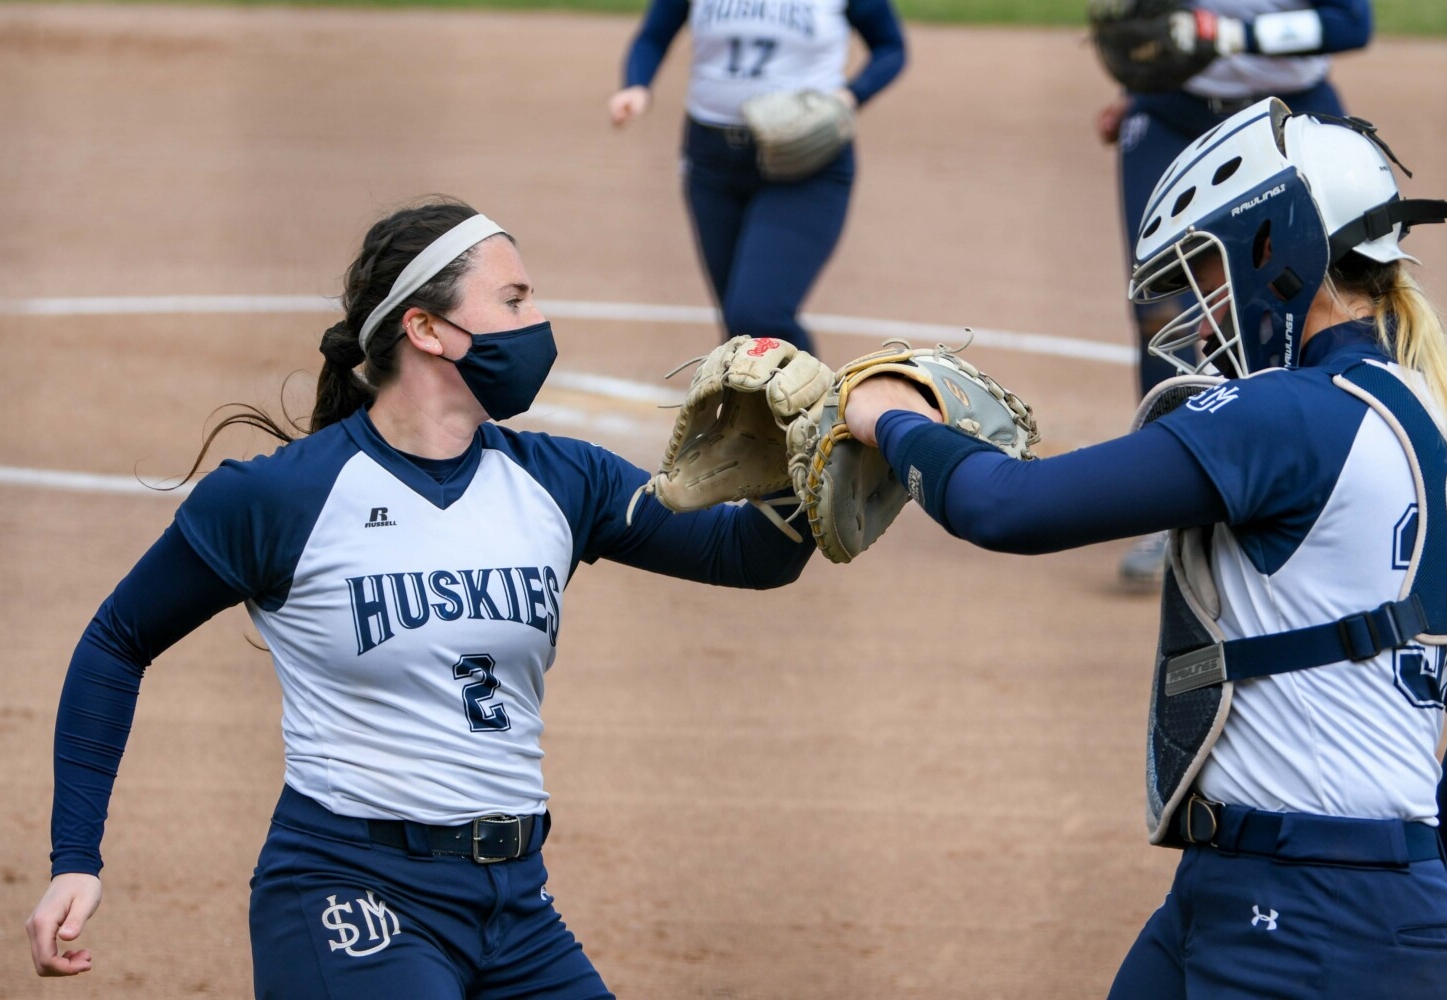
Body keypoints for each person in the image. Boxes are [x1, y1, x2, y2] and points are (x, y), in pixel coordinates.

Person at [24, 197, 817, 997]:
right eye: (513, 300)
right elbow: (118, 640)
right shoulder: (280, 498)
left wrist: (807, 466)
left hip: (516, 905)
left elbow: (748, 555)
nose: (537, 319)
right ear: (426, 329)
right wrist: (74, 861)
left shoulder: (561, 480)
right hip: (349, 893)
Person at [842, 100, 1447, 996]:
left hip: (1314, 912)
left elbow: (1011, 508)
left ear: (1275, 251)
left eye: (1207, 270)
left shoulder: (1287, 416)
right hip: (1287, 882)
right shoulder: (1413, 411)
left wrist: (888, 414)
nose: (1198, 315)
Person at [1095, 0, 1373, 585]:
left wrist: (1230, 33)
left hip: (1288, 118)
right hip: (1175, 117)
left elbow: (1351, 23)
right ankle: (1163, 503)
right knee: (1159, 312)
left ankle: (1313, 484)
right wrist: (1141, 79)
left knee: (1311, 300)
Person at [607, 0, 906, 358]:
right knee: (741, 330)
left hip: (806, 166)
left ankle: (818, 405)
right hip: (711, 162)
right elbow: (654, 36)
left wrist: (851, 94)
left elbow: (890, 46)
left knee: (759, 313)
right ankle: (762, 411)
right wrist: (637, 84)